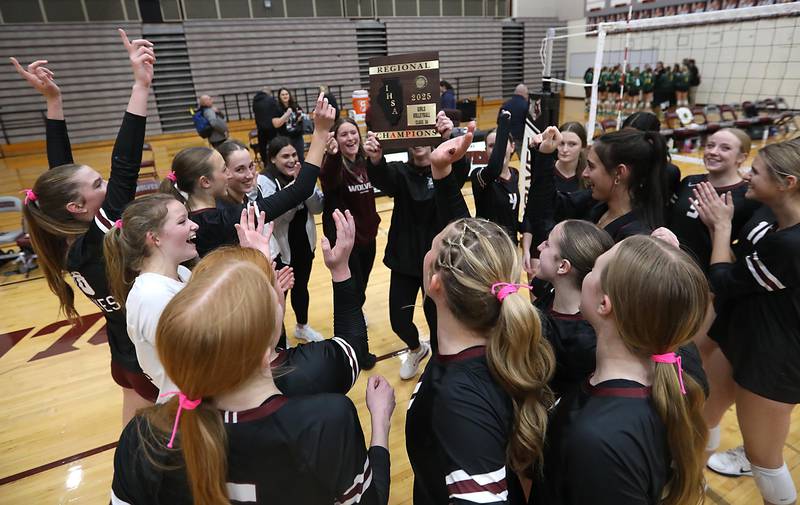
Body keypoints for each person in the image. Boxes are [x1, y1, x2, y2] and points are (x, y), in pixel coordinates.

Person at [110, 209, 396, 505]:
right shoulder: (327, 418)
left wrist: (252, 269)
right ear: (266, 352)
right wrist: (380, 424)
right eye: (273, 297)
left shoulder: (143, 437)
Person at [13, 30, 157, 423]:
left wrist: (53, 102)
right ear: (77, 207)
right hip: (144, 352)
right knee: (156, 442)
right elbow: (125, 165)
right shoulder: (97, 237)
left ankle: (127, 485)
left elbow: (60, 173)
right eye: (98, 186)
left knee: (135, 429)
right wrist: (140, 86)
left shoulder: (61, 236)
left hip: (122, 352)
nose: (107, 187)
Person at [530, 236, 709, 505]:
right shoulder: (675, 363)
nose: (587, 274)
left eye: (593, 270)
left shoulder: (598, 443)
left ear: (604, 304)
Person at [405, 214, 554, 505]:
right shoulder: (497, 345)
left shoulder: (459, 404)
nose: (426, 252)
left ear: (436, 283)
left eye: (431, 247)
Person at [693, 138, 800, 505]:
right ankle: (690, 485)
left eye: (755, 171)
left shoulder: (791, 244)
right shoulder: (770, 212)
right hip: (740, 334)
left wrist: (721, 230)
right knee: (702, 414)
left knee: (765, 459)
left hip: (773, 358)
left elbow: (724, 282)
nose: (746, 176)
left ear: (788, 183)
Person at [196, 207, 373, 396]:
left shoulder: (206, 382)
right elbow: (354, 345)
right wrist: (340, 269)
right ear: (267, 314)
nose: (277, 288)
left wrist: (259, 265)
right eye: (271, 288)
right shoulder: (311, 368)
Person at [160, 92, 334, 258]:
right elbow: (301, 189)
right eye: (223, 170)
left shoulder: (193, 217)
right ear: (205, 182)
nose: (228, 175)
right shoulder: (219, 221)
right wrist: (320, 132)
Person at [363, 111, 464, 377]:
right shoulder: (399, 173)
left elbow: (459, 170)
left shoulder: (445, 172)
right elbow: (381, 176)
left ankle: (439, 365)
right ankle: (416, 348)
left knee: (437, 320)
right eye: (413, 134)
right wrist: (374, 159)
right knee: (399, 321)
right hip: (405, 260)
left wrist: (449, 138)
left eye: (424, 133)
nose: (418, 140)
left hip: (438, 263)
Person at [103, 194, 198, 400]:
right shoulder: (152, 297)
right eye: (182, 221)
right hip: (192, 407)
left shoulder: (183, 273)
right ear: (154, 238)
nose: (195, 225)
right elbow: (196, 359)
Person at [523, 126, 666, 254]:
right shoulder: (595, 203)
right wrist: (544, 155)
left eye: (591, 166)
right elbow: (544, 209)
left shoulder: (634, 239)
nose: (584, 173)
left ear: (619, 173)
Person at [258, 136, 327, 345]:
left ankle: (302, 327)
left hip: (304, 243)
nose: (291, 160)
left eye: (294, 155)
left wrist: (303, 186)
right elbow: (276, 217)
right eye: (284, 156)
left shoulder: (303, 173)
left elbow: (317, 208)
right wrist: (296, 190)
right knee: (279, 295)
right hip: (280, 248)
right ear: (272, 159)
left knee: (301, 287)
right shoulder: (265, 180)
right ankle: (279, 338)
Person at [534, 220, 613, 397]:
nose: (539, 247)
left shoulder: (583, 342)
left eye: (547, 244)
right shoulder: (550, 293)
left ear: (562, 266)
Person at [668, 128, 760, 273]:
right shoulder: (689, 181)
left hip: (703, 276)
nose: (713, 152)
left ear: (742, 157)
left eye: (725, 148)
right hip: (667, 265)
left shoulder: (749, 197)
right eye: (710, 146)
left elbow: (739, 254)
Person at [321, 117, 381, 329]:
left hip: (368, 235)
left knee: (362, 284)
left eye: (353, 132)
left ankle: (357, 309)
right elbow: (328, 179)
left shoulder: (364, 163)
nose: (350, 137)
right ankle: (353, 329)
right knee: (351, 287)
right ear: (335, 139)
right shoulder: (333, 165)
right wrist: (333, 155)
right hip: (347, 241)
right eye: (344, 134)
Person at [471, 110, 519, 243]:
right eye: (492, 146)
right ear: (485, 150)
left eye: (502, 145)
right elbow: (494, 168)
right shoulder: (479, 176)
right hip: (488, 248)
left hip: (511, 247)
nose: (498, 149)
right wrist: (503, 123)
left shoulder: (516, 175)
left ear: (513, 147)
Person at [621, 111, 682, 201]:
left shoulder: (669, 172)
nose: (626, 143)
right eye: (623, 136)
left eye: (633, 138)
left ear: (651, 139)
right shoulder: (613, 163)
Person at [265, 87, 306, 162]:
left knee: (300, 158)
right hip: (285, 138)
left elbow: (300, 117)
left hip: (297, 136)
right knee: (287, 159)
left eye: (286, 94)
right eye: (282, 94)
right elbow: (276, 124)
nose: (285, 96)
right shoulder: (276, 108)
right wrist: (286, 115)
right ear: (279, 97)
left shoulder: (295, 105)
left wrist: (300, 118)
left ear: (289, 95)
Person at [217, 139, 257, 204]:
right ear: (224, 172)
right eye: (240, 170)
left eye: (250, 166)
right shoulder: (222, 211)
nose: (250, 175)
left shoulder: (247, 196)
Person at [499, 83, 530, 155]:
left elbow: (499, 122)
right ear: (525, 94)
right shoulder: (526, 106)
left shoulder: (505, 105)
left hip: (507, 138)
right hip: (520, 139)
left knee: (504, 159)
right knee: (524, 160)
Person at [252, 87, 277, 163]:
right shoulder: (271, 100)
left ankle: (265, 163)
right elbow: (276, 112)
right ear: (268, 93)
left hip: (260, 128)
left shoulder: (255, 101)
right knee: (274, 146)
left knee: (262, 147)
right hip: (271, 128)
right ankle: (274, 161)